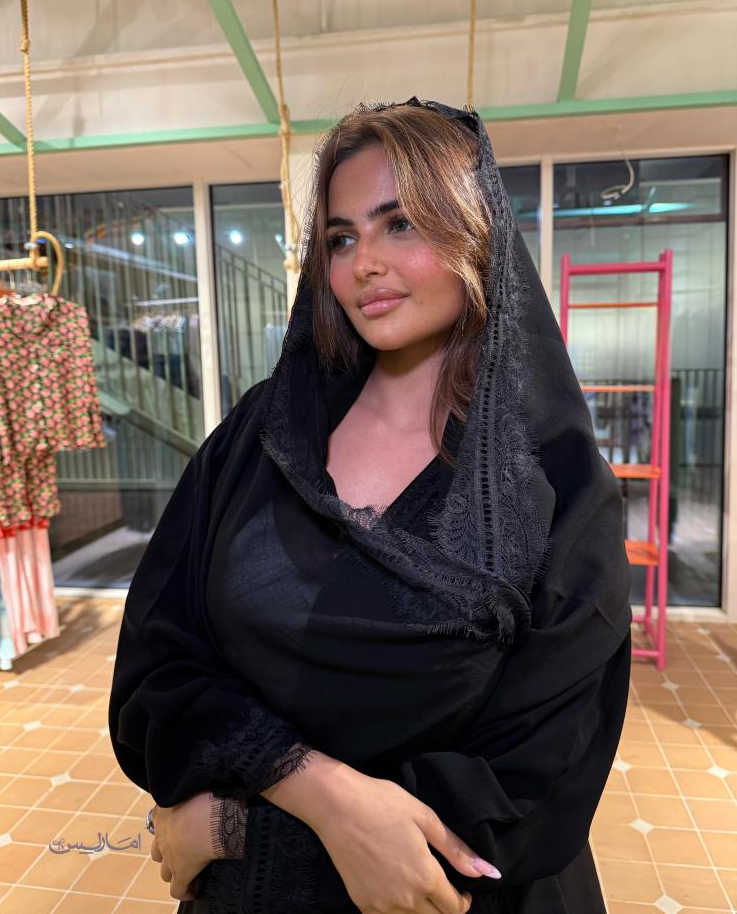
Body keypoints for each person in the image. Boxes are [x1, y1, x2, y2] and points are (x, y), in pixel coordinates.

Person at [108, 97, 632, 914]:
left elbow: (535, 788)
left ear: (478, 235)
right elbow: (157, 667)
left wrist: (233, 828)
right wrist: (314, 787)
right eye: (341, 238)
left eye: (401, 224)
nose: (364, 264)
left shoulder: (551, 483)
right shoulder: (261, 436)